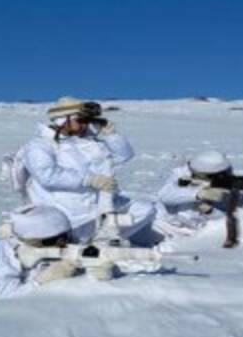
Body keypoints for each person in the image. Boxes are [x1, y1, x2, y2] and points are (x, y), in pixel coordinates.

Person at [11, 97, 157, 244]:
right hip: (68, 213)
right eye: (81, 120)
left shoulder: (88, 142)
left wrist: (111, 135)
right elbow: (46, 175)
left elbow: (124, 155)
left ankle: (102, 239)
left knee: (144, 209)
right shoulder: (40, 145)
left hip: (99, 206)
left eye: (87, 121)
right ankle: (91, 241)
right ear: (63, 119)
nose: (85, 125)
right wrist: (88, 180)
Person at [156, 150, 243, 235]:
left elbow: (225, 212)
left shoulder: (221, 185)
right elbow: (164, 195)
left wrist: (210, 210)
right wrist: (199, 194)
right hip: (165, 228)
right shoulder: (180, 176)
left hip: (196, 232)